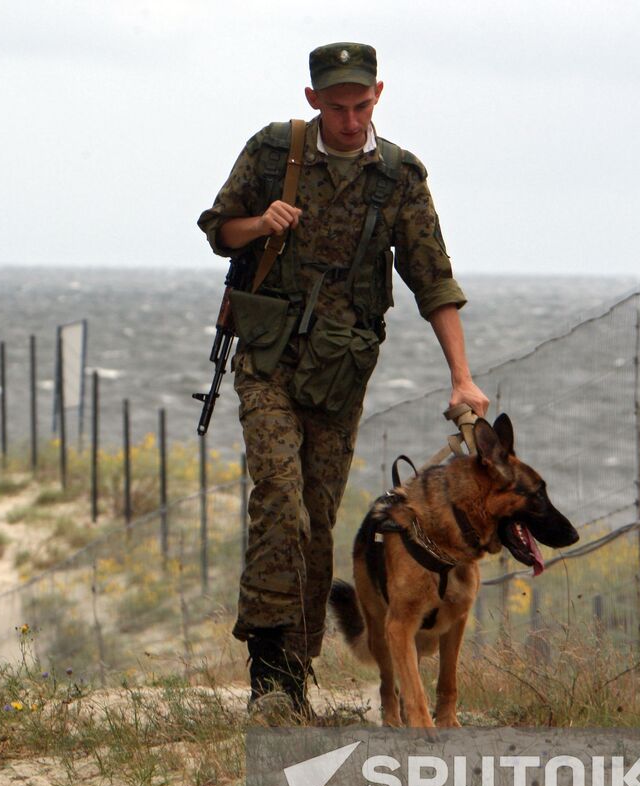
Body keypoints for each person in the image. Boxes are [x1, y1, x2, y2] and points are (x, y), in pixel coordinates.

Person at [197, 43, 489, 720]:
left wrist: (462, 377)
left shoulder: (399, 178)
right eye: (337, 107)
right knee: (279, 496)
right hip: (266, 362)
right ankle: (269, 675)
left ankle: (296, 671)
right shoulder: (274, 152)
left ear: (378, 95)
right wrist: (258, 222)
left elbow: (432, 279)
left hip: (338, 378)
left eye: (362, 105)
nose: (352, 120)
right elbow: (218, 229)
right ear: (313, 101)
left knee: (318, 523)